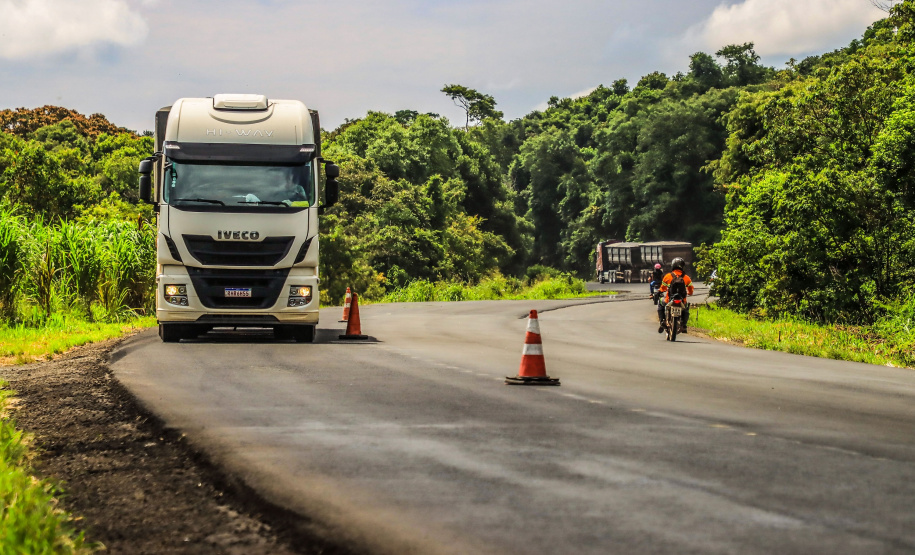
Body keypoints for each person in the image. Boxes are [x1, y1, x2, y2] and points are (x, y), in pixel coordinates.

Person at [657, 257, 694, 333]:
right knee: (686, 308)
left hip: (668, 300)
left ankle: (662, 321)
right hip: (682, 301)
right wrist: (689, 293)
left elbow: (662, 288)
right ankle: (684, 325)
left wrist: (659, 292)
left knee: (660, 303)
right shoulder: (687, 278)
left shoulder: (667, 276)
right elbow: (690, 291)